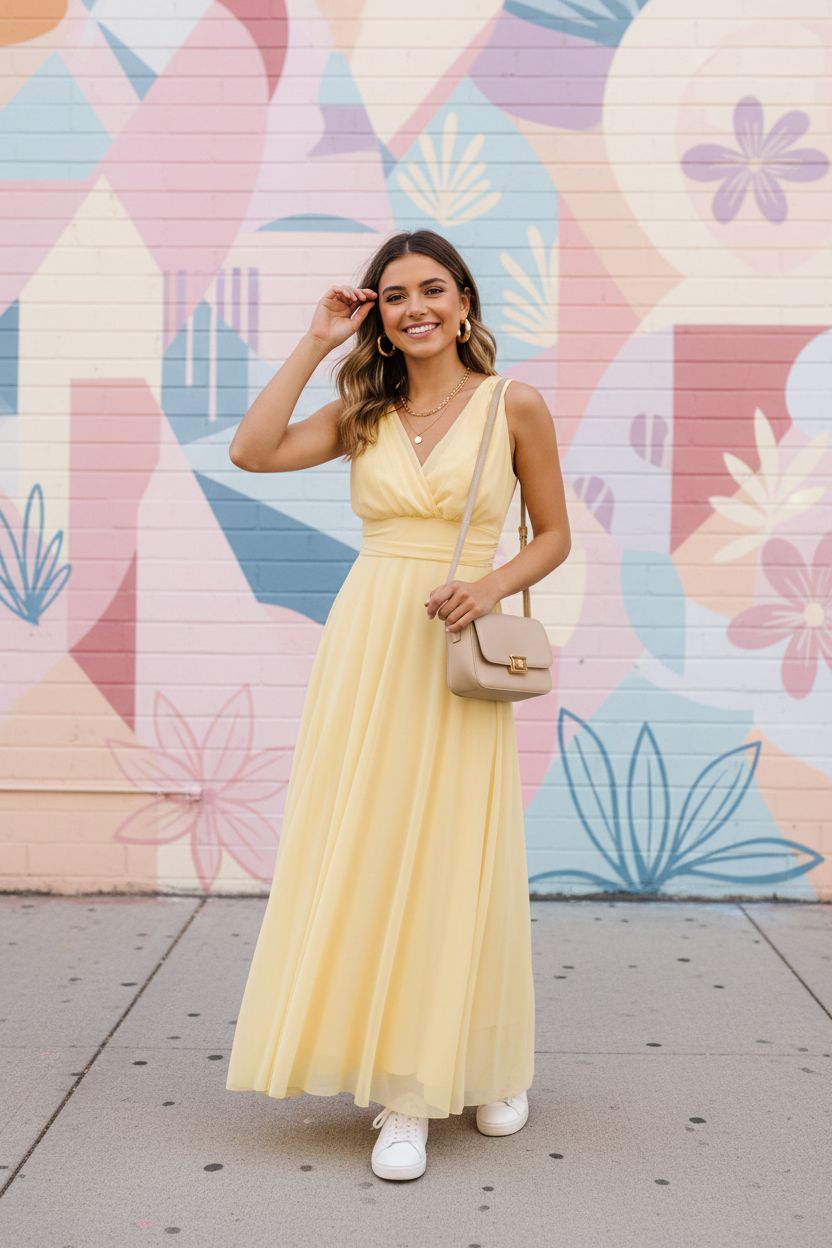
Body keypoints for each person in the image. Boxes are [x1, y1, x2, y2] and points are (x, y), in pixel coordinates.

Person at [224, 229, 571, 1182]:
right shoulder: (361, 409)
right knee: (371, 843)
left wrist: (491, 586)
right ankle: (400, 1091)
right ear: (374, 311)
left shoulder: (514, 404)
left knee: (462, 847)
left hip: (456, 644)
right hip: (372, 642)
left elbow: (555, 536)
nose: (412, 307)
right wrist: (315, 342)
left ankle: (480, 1063)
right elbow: (251, 451)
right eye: (391, 295)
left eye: (430, 289)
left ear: (463, 300)